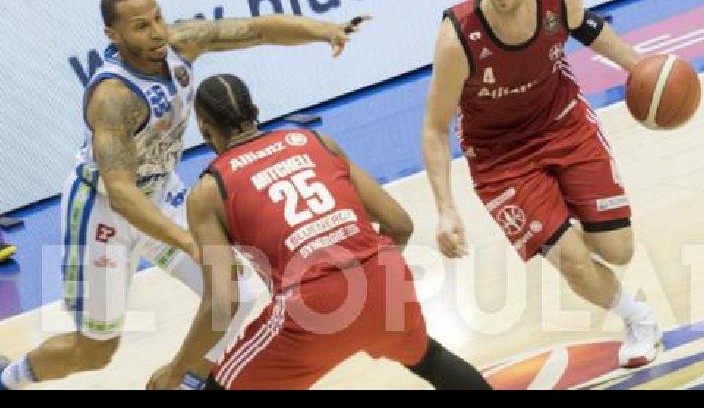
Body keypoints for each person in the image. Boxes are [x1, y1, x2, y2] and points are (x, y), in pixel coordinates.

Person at [0, 0, 369, 390]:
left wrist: (325, 30)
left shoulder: (180, 44)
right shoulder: (113, 97)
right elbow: (121, 194)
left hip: (160, 193)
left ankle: (187, 381)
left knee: (236, 294)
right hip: (102, 211)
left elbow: (257, 29)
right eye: (141, 26)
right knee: (95, 351)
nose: (157, 32)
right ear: (113, 35)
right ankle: (7, 378)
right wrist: (189, 243)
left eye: (158, 17)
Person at [421, 0, 661, 368]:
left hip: (564, 123)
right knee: (571, 260)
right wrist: (445, 208)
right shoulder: (458, 39)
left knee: (617, 250)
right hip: (501, 159)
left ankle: (570, 215)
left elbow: (593, 32)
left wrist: (644, 69)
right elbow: (434, 128)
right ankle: (639, 319)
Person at [147, 74, 492, 390]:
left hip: (311, 304)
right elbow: (400, 223)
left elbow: (223, 302)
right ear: (255, 111)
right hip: (383, 275)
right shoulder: (314, 140)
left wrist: (177, 370)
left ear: (205, 131)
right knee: (428, 359)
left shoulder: (209, 190)